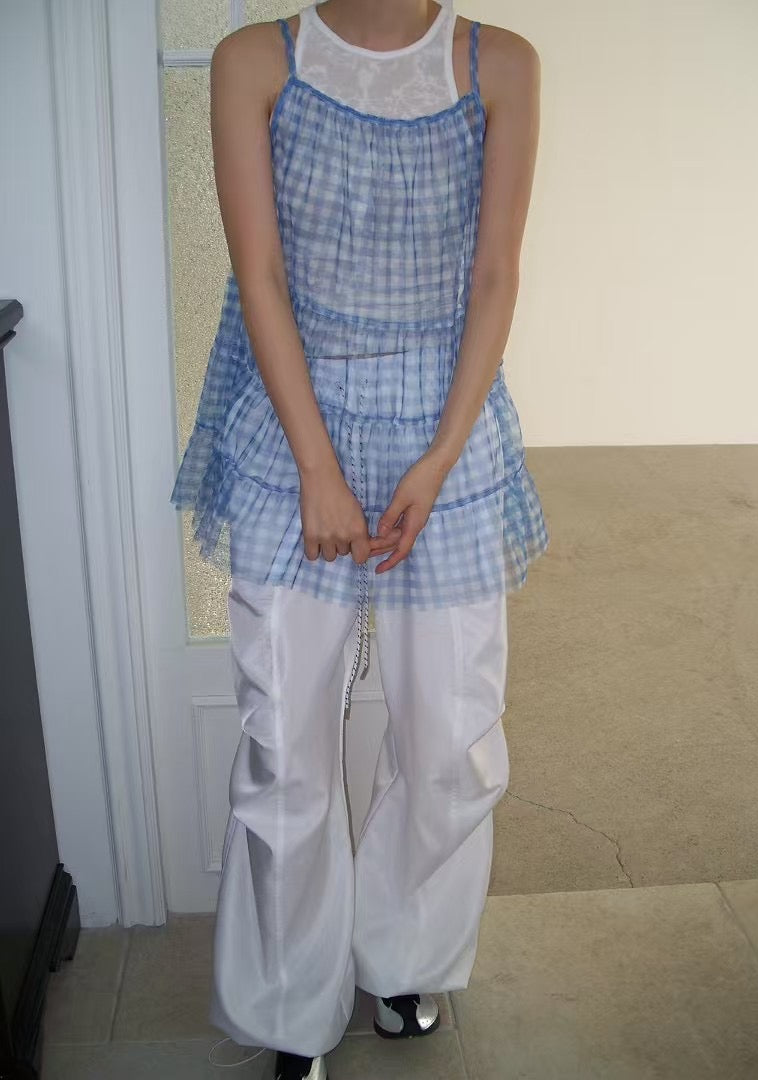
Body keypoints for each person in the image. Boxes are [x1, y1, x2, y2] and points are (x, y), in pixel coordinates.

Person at [169, 2, 549, 1077]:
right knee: (286, 742)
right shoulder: (256, 59)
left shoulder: (500, 63)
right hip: (299, 425)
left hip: (448, 428)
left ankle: (404, 954)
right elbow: (259, 275)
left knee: (450, 736)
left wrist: (439, 458)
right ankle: (291, 1002)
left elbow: (494, 276)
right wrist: (317, 467)